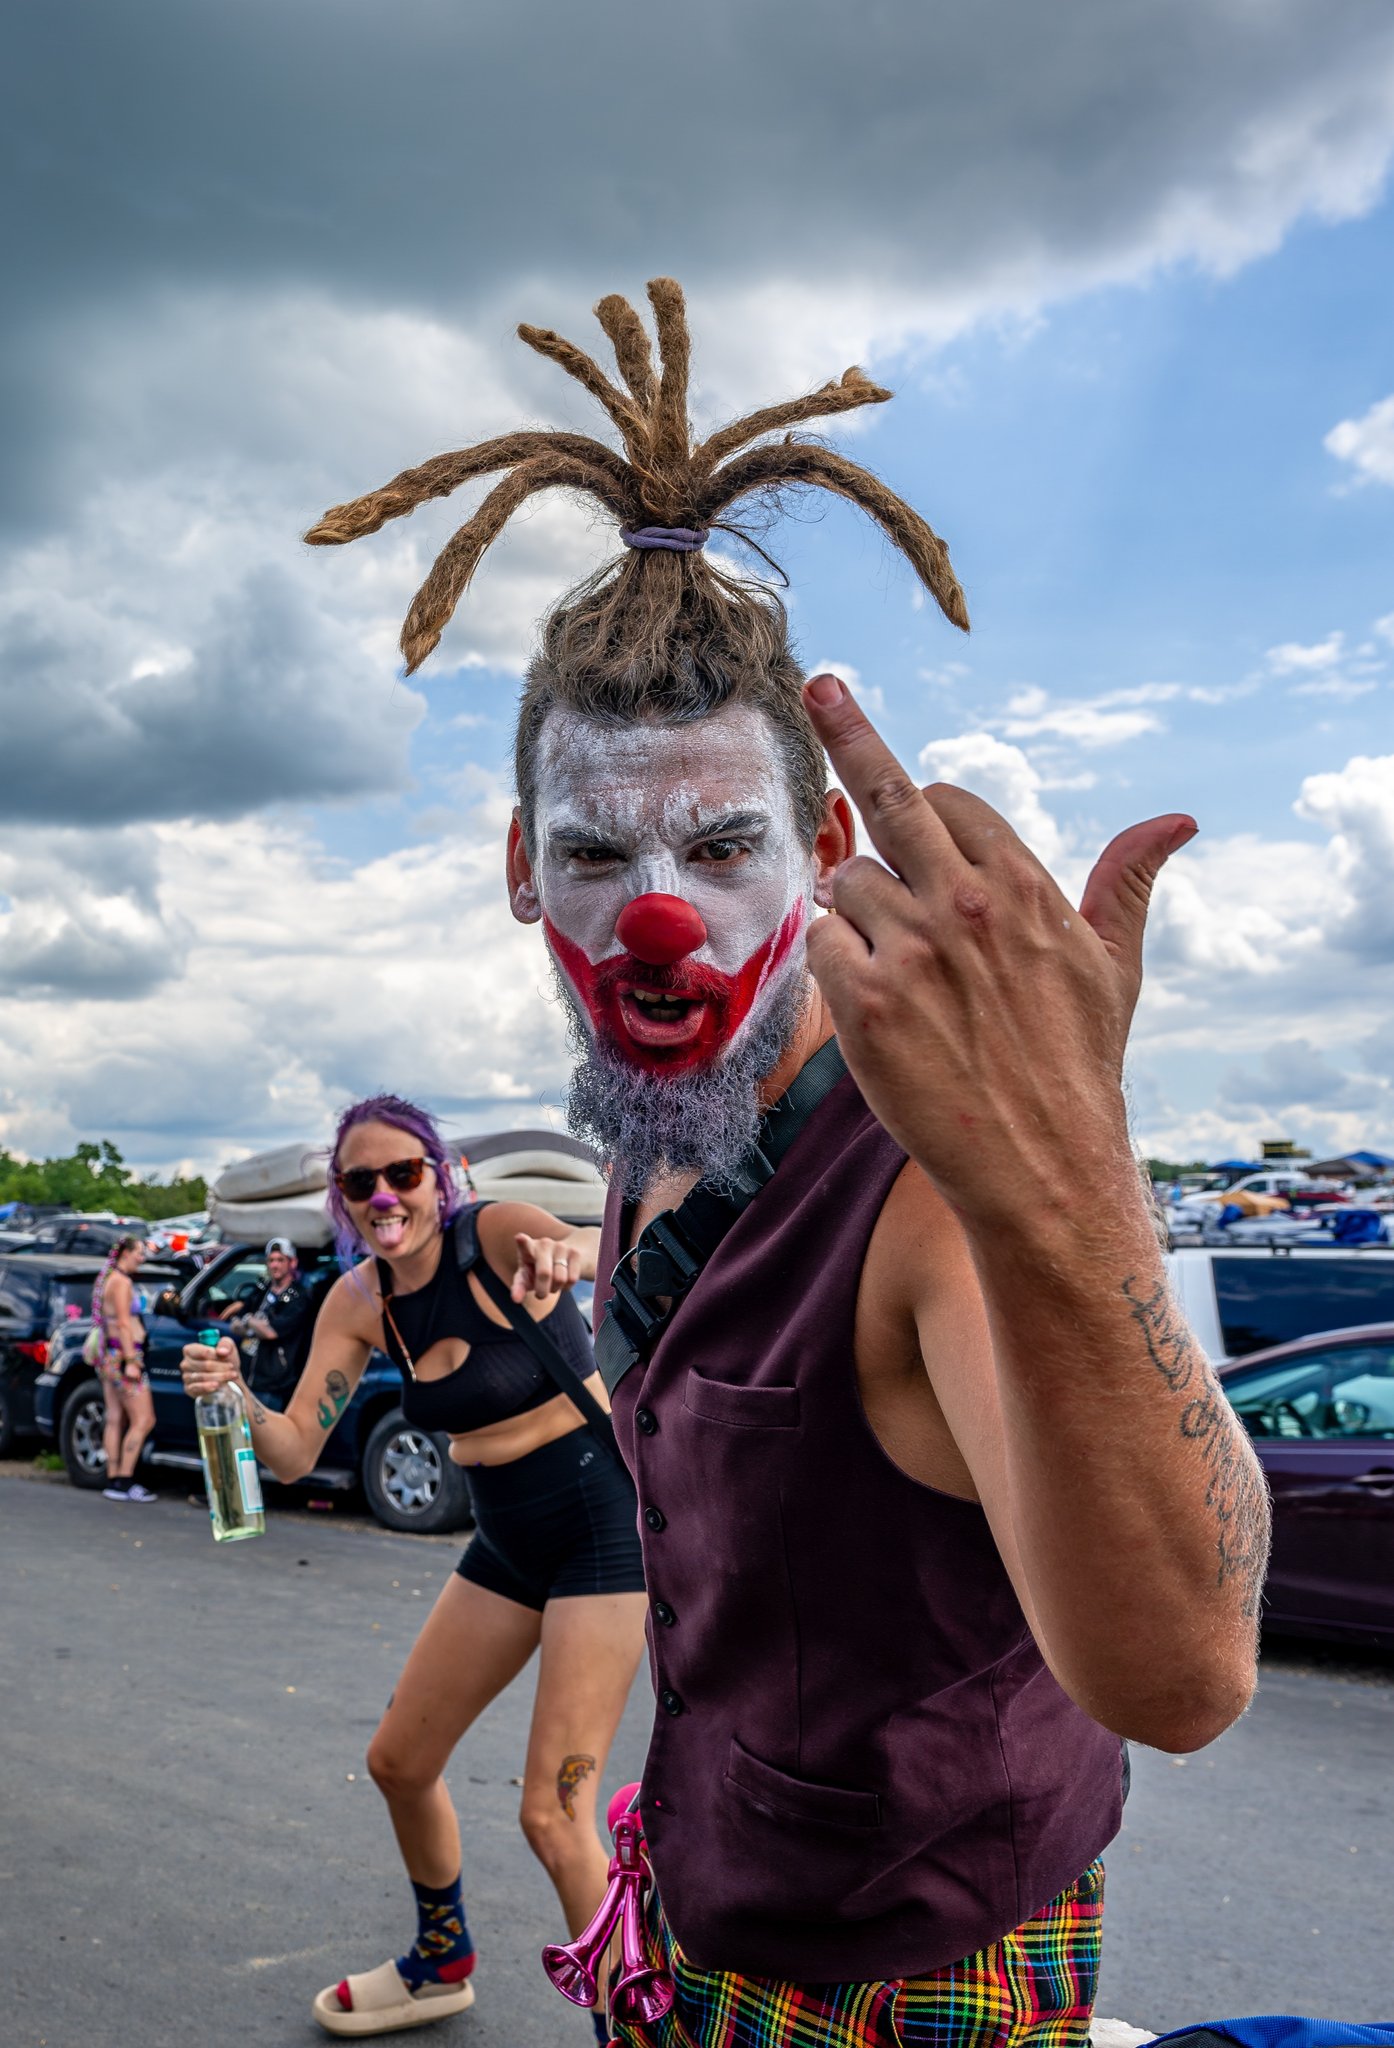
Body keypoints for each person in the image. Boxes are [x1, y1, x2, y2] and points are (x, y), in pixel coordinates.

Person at [306, 283, 1270, 2046]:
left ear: (822, 844)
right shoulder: (649, 1137)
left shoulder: (925, 1200)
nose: (654, 911)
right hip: (698, 1903)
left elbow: (1182, 1675)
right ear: (523, 866)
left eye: (723, 839)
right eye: (597, 846)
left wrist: (1065, 1177)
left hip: (909, 1974)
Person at [179, 1093, 646, 2040]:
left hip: (603, 1525)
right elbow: (296, 1453)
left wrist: (566, 1258)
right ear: (342, 1200)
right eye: (362, 1182)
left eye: (404, 1173)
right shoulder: (358, 1303)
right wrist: (231, 1396)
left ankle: (630, 2025)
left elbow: (575, 1246)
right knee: (398, 1761)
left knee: (556, 1817)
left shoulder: (499, 1236)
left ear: (440, 1177)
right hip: (506, 1537)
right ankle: (442, 1964)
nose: (385, 1195)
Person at [93, 1234, 158, 1504]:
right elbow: (122, 1322)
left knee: (115, 1417)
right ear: (126, 1253)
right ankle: (125, 1478)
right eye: (139, 1253)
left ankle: (114, 1478)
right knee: (144, 1419)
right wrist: (132, 1362)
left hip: (111, 1356)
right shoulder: (121, 1282)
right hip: (123, 1356)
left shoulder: (107, 1279)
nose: (142, 1259)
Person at [223, 1237, 314, 1398]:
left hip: (274, 1385)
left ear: (292, 1263)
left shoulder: (298, 1297)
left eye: (280, 1260)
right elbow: (234, 1324)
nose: (274, 1265)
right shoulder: (261, 1291)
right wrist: (252, 1326)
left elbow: (271, 1332)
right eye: (271, 1260)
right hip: (247, 1379)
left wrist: (249, 1320)